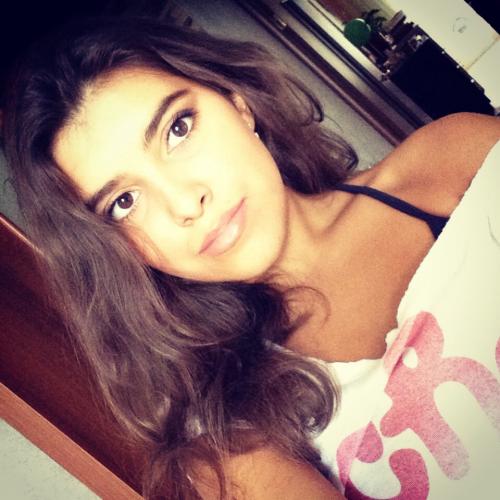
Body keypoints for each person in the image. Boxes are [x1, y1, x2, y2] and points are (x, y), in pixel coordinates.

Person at [2, 15, 499, 500]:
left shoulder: (450, 162)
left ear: (237, 104)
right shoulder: (227, 438)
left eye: (178, 129)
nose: (185, 202)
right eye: (124, 202)